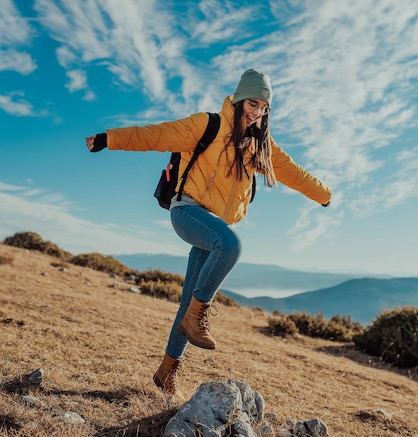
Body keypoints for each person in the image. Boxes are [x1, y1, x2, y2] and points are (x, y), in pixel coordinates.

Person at [86, 69, 331, 400]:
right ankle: (198, 315)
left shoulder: (260, 145)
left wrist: (325, 195)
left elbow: (294, 172)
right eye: (253, 103)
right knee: (230, 246)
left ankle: (165, 373)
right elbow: (156, 135)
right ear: (241, 98)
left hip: (214, 223)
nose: (257, 111)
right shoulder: (208, 125)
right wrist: (108, 139)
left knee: (189, 299)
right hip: (187, 211)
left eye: (263, 107)